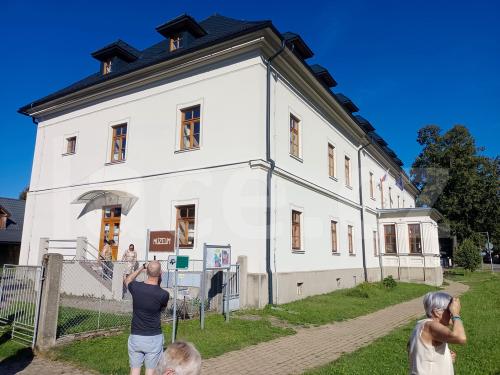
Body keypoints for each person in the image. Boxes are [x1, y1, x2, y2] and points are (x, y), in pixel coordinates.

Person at [125, 261, 170, 375]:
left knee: (134, 370)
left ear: (146, 272)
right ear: (161, 273)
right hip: (153, 338)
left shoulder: (136, 287)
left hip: (136, 336)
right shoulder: (163, 294)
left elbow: (127, 280)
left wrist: (141, 268)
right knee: (150, 371)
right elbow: (163, 308)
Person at [408, 291, 467, 374]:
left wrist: (446, 358)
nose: (451, 314)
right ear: (437, 312)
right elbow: (460, 338)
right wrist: (456, 314)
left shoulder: (421, 325)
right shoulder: (430, 326)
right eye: (449, 310)